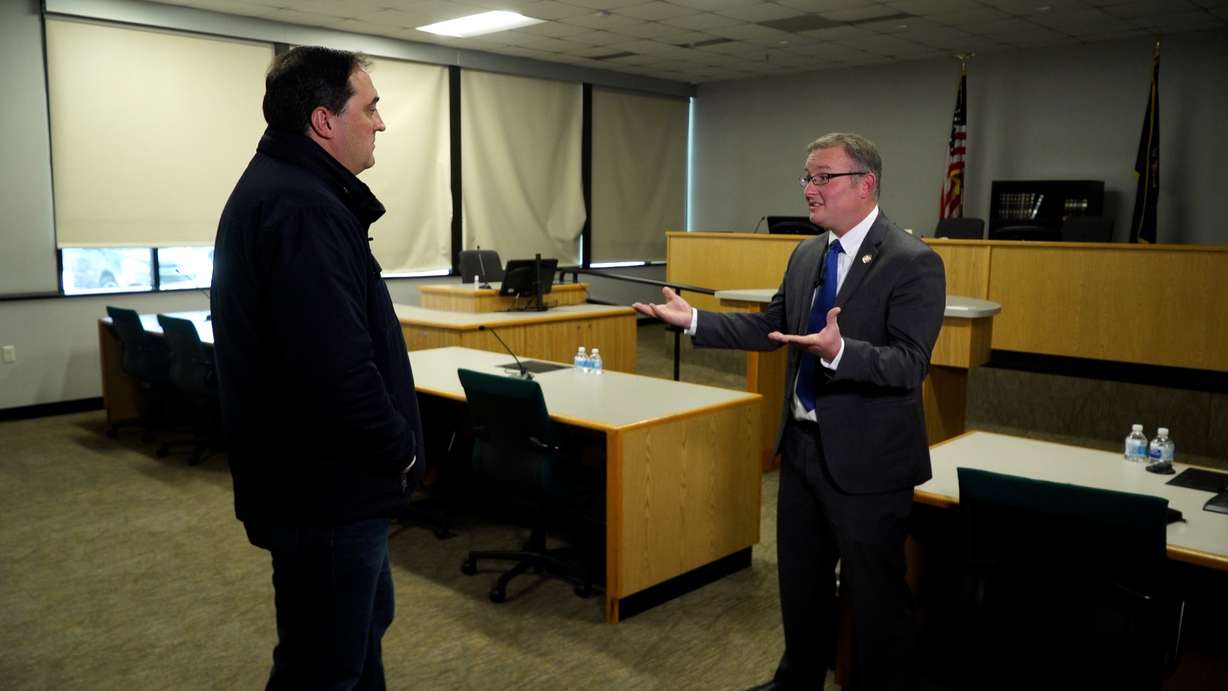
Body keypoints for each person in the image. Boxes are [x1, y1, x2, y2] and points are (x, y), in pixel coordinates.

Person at [634, 133, 945, 690]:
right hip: (802, 450)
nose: (809, 189)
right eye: (806, 177)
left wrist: (841, 351)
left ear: (865, 184)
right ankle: (797, 681)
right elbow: (770, 327)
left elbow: (909, 364)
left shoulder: (913, 262)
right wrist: (696, 322)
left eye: (822, 177)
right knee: (800, 583)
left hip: (869, 463)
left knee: (875, 598)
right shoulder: (807, 253)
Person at [211, 46, 425, 690]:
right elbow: (335, 372)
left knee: (356, 640)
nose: (381, 123)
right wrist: (402, 450)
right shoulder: (304, 208)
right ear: (325, 120)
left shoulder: (291, 191)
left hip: (318, 484)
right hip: (325, 491)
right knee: (322, 666)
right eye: (371, 106)